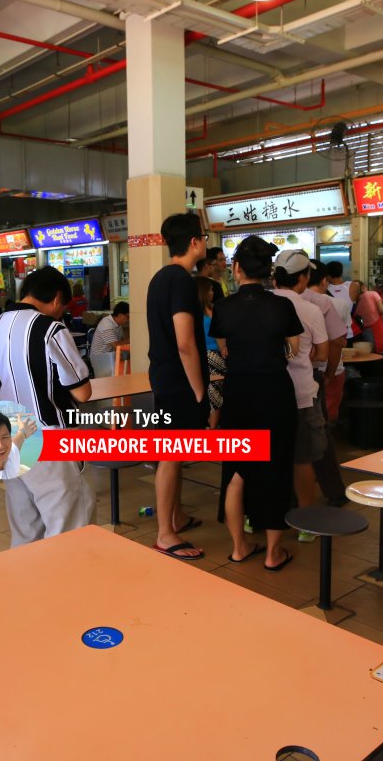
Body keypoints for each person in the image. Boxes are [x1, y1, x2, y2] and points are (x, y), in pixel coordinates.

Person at [0, 267, 95, 546]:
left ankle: (28, 587)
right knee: (69, 526)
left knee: (25, 531)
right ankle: (66, 589)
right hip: (49, 439)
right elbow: (83, 392)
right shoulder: (50, 328)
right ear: (56, 299)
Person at [211, 236, 303, 572]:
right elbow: (294, 348)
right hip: (275, 393)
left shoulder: (223, 307)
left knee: (235, 471)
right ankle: (273, 553)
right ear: (268, 271)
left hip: (238, 393)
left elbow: (223, 351)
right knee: (276, 469)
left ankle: (239, 547)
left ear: (236, 268)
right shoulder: (282, 306)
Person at [147, 212, 210, 560]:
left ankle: (177, 516)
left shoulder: (160, 278)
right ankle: (165, 534)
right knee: (171, 456)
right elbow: (186, 342)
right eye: (203, 237)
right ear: (194, 242)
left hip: (164, 377)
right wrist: (200, 392)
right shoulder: (183, 282)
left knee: (174, 453)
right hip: (180, 382)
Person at [271, 251, 332, 512]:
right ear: (304, 279)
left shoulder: (261, 304)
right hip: (302, 394)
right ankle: (305, 520)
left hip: (266, 395)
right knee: (303, 458)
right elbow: (323, 354)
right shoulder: (310, 310)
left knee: (267, 457)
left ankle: (261, 515)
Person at [301, 263, 350, 505]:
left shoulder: (273, 301)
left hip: (276, 380)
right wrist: (329, 373)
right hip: (310, 377)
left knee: (286, 439)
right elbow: (338, 341)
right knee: (318, 435)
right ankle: (334, 493)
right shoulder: (321, 303)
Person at [303, 263, 348, 424]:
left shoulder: (290, 301)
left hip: (301, 371)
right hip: (329, 369)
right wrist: (329, 374)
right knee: (326, 417)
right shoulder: (336, 304)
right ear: (324, 281)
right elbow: (338, 342)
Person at [195, 278, 226, 429]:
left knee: (209, 392)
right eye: (210, 290)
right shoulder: (215, 311)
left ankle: (207, 426)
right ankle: (213, 428)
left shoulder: (192, 313)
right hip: (216, 355)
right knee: (216, 393)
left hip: (199, 356)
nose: (213, 293)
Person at [89, 301, 129, 378]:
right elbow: (117, 345)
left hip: (109, 358)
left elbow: (122, 342)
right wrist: (131, 340)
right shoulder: (106, 324)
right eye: (127, 317)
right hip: (100, 359)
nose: (128, 319)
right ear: (120, 315)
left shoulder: (118, 325)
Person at [355, 282, 383, 350]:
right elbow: (382, 310)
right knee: (377, 353)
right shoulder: (373, 293)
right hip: (375, 330)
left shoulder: (357, 300)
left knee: (369, 354)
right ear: (364, 287)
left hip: (364, 331)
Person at [324, 261, 359, 339]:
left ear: (328, 275)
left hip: (331, 332)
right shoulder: (354, 285)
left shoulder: (324, 289)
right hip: (348, 331)